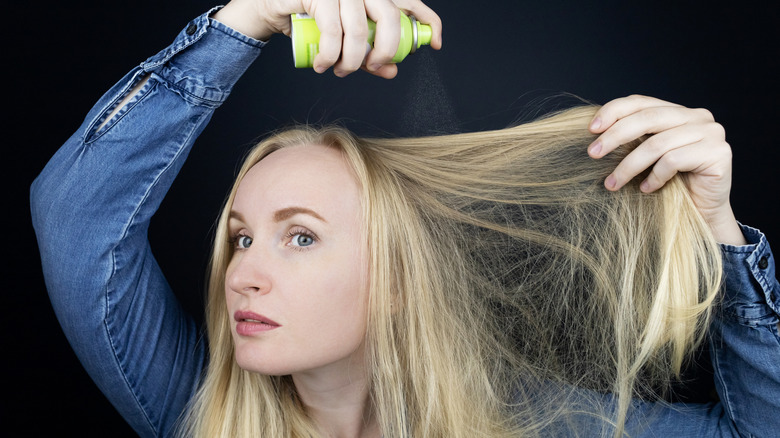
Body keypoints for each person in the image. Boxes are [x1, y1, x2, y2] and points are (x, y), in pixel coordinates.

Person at [30, 0, 778, 437]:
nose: (243, 274)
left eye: (300, 236)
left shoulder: (529, 424)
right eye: (242, 237)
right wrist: (248, 17)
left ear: (396, 281)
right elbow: (75, 216)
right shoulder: (205, 412)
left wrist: (715, 230)